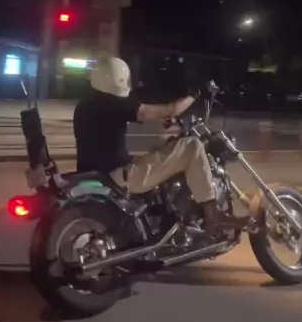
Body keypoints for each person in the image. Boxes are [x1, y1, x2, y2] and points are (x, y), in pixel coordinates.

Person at [73, 56, 249, 236]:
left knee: (161, 152)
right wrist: (195, 94)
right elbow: (169, 110)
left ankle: (166, 217)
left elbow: (142, 115)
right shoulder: (111, 102)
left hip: (100, 174)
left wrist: (167, 119)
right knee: (192, 147)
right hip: (118, 176)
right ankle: (213, 215)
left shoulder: (85, 105)